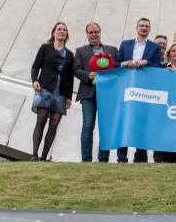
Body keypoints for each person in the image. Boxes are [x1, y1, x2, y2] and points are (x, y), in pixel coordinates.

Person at [117, 17, 163, 163]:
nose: (144, 28)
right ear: (136, 28)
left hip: (144, 91)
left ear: (149, 29)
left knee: (142, 122)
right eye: (141, 26)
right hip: (126, 89)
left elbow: (158, 67)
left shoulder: (154, 47)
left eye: (147, 26)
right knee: (124, 122)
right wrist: (126, 63)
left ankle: (139, 157)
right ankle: (121, 157)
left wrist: (145, 62)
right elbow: (116, 63)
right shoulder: (125, 44)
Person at [74, 21, 118, 162]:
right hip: (88, 93)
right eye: (91, 32)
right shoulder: (80, 50)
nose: (94, 34)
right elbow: (76, 69)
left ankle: (103, 159)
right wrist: (88, 75)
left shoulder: (112, 50)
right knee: (88, 126)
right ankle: (86, 160)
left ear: (100, 33)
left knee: (105, 127)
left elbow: (118, 70)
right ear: (87, 34)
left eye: (96, 32)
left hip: (107, 94)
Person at [30, 22, 73, 161]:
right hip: (45, 89)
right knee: (41, 120)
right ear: (54, 33)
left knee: (54, 124)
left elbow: (70, 77)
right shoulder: (45, 48)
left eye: (64, 30)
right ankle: (34, 155)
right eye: (59, 29)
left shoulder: (70, 55)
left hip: (61, 92)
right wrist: (34, 80)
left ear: (66, 34)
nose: (62, 31)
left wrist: (68, 96)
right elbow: (35, 66)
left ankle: (43, 157)